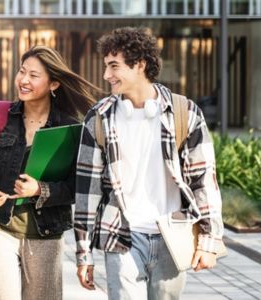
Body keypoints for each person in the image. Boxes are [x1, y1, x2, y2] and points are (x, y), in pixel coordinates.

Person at [74, 27, 224, 299]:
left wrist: (209, 240)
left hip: (173, 237)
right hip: (121, 235)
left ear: (140, 64)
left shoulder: (185, 113)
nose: (107, 75)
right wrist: (84, 254)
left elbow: (204, 181)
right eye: (106, 66)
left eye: (114, 66)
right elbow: (88, 192)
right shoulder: (99, 119)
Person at [0, 45, 100, 300]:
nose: (23, 80)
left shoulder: (70, 129)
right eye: (22, 72)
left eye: (33, 75)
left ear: (53, 84)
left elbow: (77, 187)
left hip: (46, 234)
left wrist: (40, 190)